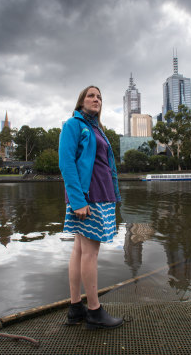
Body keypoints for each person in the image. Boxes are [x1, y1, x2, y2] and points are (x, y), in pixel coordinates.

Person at [58, 85, 123, 330]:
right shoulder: (73, 125)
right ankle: (94, 312)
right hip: (89, 197)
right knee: (90, 253)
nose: (96, 99)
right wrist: (78, 201)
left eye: (99, 97)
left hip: (100, 195)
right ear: (81, 101)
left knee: (79, 250)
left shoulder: (96, 128)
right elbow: (66, 164)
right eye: (91, 95)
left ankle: (76, 308)